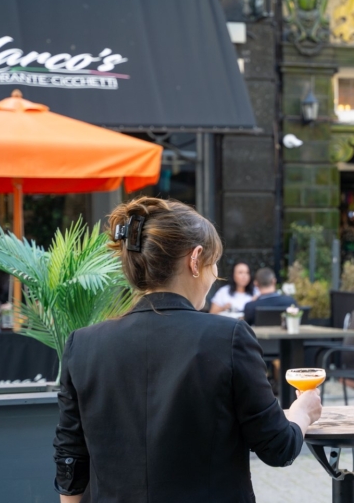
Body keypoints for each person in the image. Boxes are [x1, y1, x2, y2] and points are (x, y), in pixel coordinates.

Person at [53, 197, 321, 503]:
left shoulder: (83, 343)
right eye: (213, 262)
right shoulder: (228, 336)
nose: (214, 274)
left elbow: (71, 455)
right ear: (195, 259)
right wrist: (302, 413)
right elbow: (277, 447)